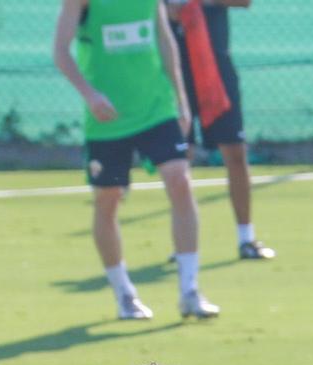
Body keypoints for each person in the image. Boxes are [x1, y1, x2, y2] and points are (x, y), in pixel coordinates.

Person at [53, 0, 218, 321]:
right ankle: (124, 294)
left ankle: (190, 290)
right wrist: (89, 94)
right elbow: (60, 51)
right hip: (108, 116)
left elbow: (165, 39)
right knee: (108, 200)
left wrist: (181, 99)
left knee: (180, 180)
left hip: (156, 108)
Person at [169, 1, 275, 260]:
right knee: (179, 163)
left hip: (216, 73)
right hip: (177, 78)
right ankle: (183, 245)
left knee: (236, 154)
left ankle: (246, 238)